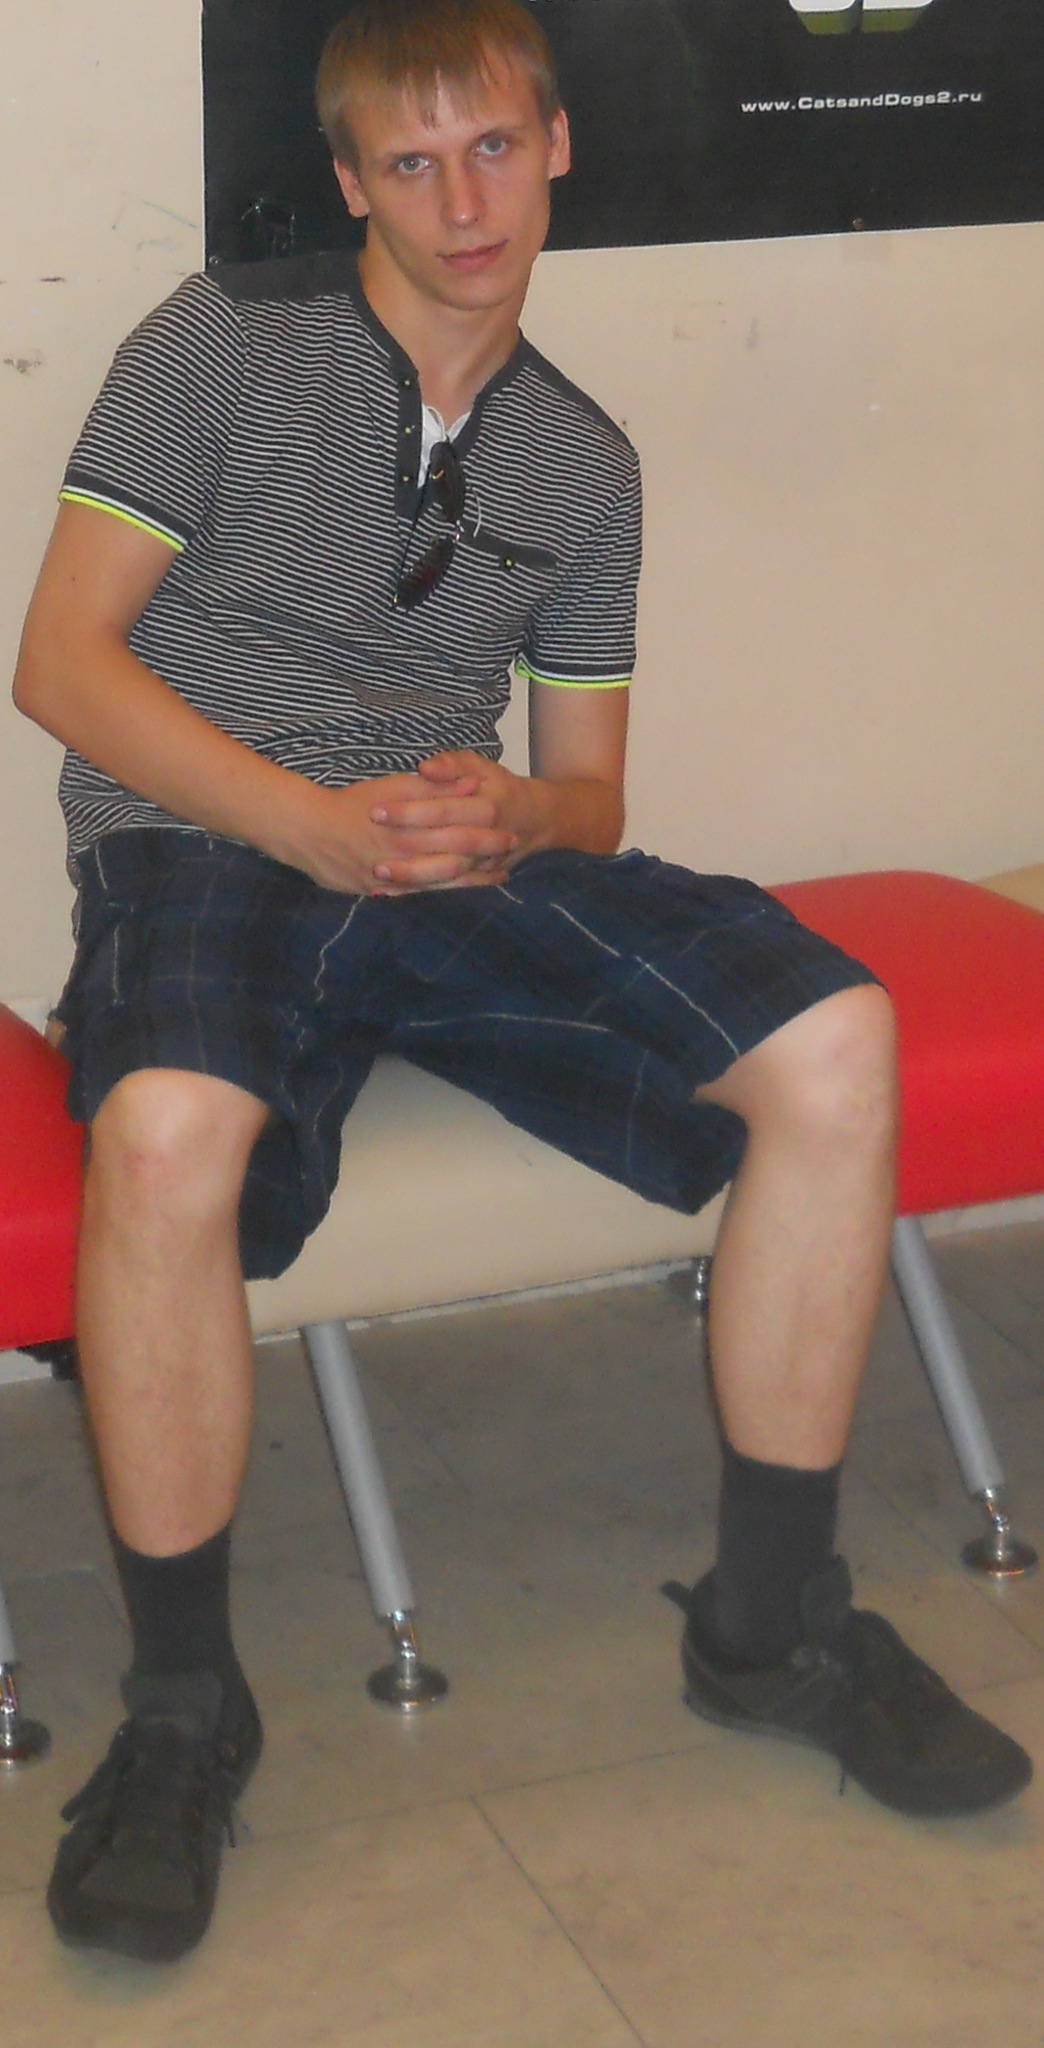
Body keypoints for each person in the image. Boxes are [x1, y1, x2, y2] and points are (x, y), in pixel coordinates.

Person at [13, 0, 1030, 1968]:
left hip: (447, 859)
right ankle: (183, 1709)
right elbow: (62, 664)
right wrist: (306, 823)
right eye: (411, 163)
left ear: (558, 146)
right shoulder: (214, 344)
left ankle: (769, 1622)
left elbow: (593, 795)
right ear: (349, 183)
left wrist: (513, 813)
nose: (462, 202)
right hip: (204, 842)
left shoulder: (583, 457)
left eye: (493, 148)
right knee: (163, 1132)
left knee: (837, 1037)